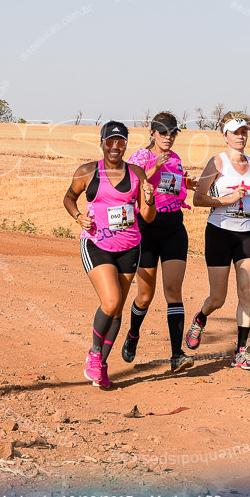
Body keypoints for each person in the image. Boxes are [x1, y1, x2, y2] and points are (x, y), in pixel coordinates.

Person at [63, 121, 156, 389]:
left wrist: (148, 200)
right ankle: (94, 352)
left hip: (129, 246)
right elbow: (69, 198)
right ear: (102, 142)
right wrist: (79, 217)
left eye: (121, 141)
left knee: (117, 312)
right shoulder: (87, 171)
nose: (115, 146)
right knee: (112, 300)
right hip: (96, 244)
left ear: (126, 143)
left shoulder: (137, 173)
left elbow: (148, 217)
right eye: (110, 141)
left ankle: (101, 365)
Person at [185, 112, 250, 370]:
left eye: (244, 132)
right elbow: (198, 198)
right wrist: (228, 200)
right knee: (218, 297)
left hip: (247, 232)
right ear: (225, 135)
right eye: (236, 132)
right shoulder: (217, 163)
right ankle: (200, 319)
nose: (241, 136)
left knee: (246, 291)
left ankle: (241, 351)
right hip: (219, 231)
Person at [122, 112, 197, 373]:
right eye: (163, 132)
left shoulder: (175, 159)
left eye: (173, 132)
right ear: (152, 133)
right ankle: (133, 334)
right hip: (148, 227)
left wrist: (188, 182)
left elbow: (170, 187)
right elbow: (133, 185)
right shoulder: (140, 157)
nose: (169, 137)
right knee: (145, 295)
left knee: (173, 292)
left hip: (174, 227)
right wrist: (155, 165)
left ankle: (177, 354)